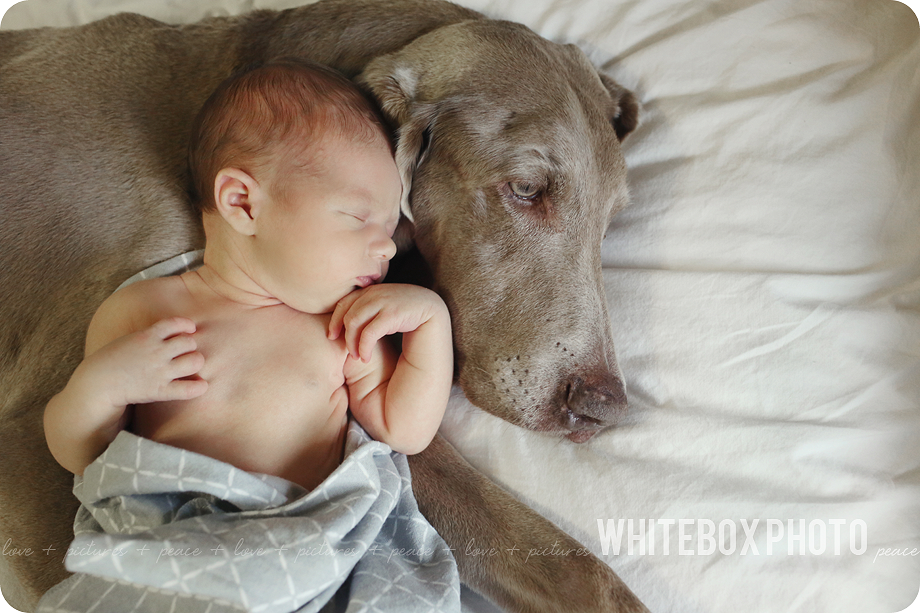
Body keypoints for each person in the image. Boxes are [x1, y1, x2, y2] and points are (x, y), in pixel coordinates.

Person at [43, 58, 453, 492]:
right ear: (243, 204)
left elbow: (406, 430)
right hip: (172, 537)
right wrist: (99, 390)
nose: (388, 246)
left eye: (390, 228)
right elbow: (80, 456)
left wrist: (431, 320)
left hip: (301, 535)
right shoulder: (142, 310)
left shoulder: (345, 329)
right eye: (357, 216)